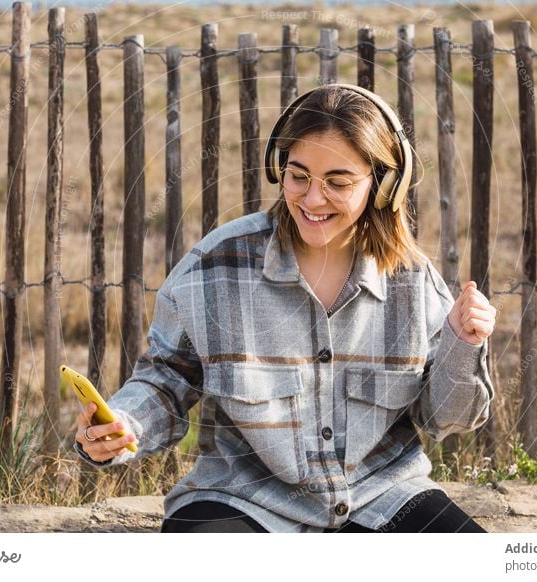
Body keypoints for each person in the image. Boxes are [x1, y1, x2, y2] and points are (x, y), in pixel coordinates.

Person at [74, 83, 497, 533]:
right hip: (242, 501)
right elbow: (168, 377)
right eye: (299, 176)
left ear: (383, 184)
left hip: (382, 497)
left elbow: (445, 418)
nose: (313, 200)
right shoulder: (216, 267)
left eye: (337, 182)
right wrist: (124, 424)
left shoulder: (413, 281)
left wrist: (462, 345)